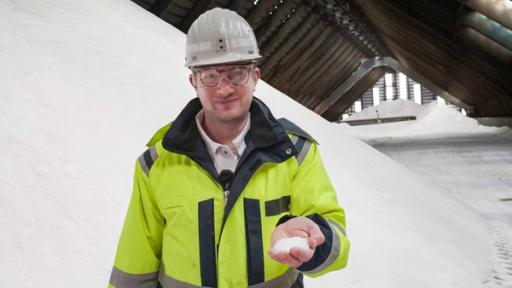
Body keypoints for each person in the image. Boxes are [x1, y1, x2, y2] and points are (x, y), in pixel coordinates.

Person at [109, 7, 349, 288]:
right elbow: (134, 265)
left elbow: (336, 239)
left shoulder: (295, 153)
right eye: (210, 76)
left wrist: (315, 239)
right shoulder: (156, 164)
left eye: (236, 73)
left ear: (255, 77)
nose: (224, 88)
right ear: (194, 81)